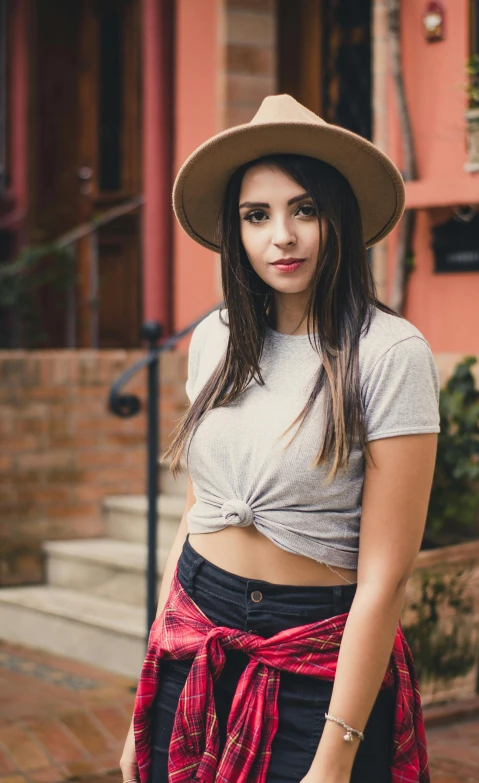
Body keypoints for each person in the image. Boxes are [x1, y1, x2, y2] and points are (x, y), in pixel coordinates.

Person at [120, 94, 440, 783]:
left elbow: (384, 578)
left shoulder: (390, 352)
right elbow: (196, 510)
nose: (281, 237)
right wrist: (144, 695)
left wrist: (334, 756)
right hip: (195, 629)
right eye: (256, 215)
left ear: (338, 217)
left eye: (304, 209)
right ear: (236, 231)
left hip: (316, 657)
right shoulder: (214, 339)